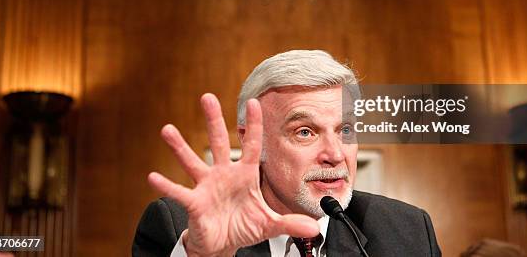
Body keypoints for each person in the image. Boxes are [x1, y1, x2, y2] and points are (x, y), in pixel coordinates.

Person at [133, 50, 441, 256]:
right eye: (305, 132)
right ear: (254, 139)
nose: (335, 154)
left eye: (345, 130)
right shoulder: (178, 226)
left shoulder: (407, 231)